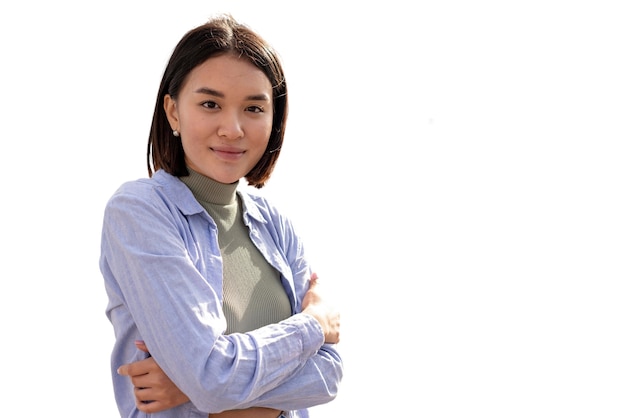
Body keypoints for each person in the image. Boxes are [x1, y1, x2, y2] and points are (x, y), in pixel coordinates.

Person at [99, 13, 343, 418]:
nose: (232, 129)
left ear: (273, 120)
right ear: (173, 112)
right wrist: (315, 325)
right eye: (210, 104)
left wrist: (193, 387)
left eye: (253, 108)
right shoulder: (139, 212)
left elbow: (329, 375)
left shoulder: (275, 225)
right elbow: (211, 379)